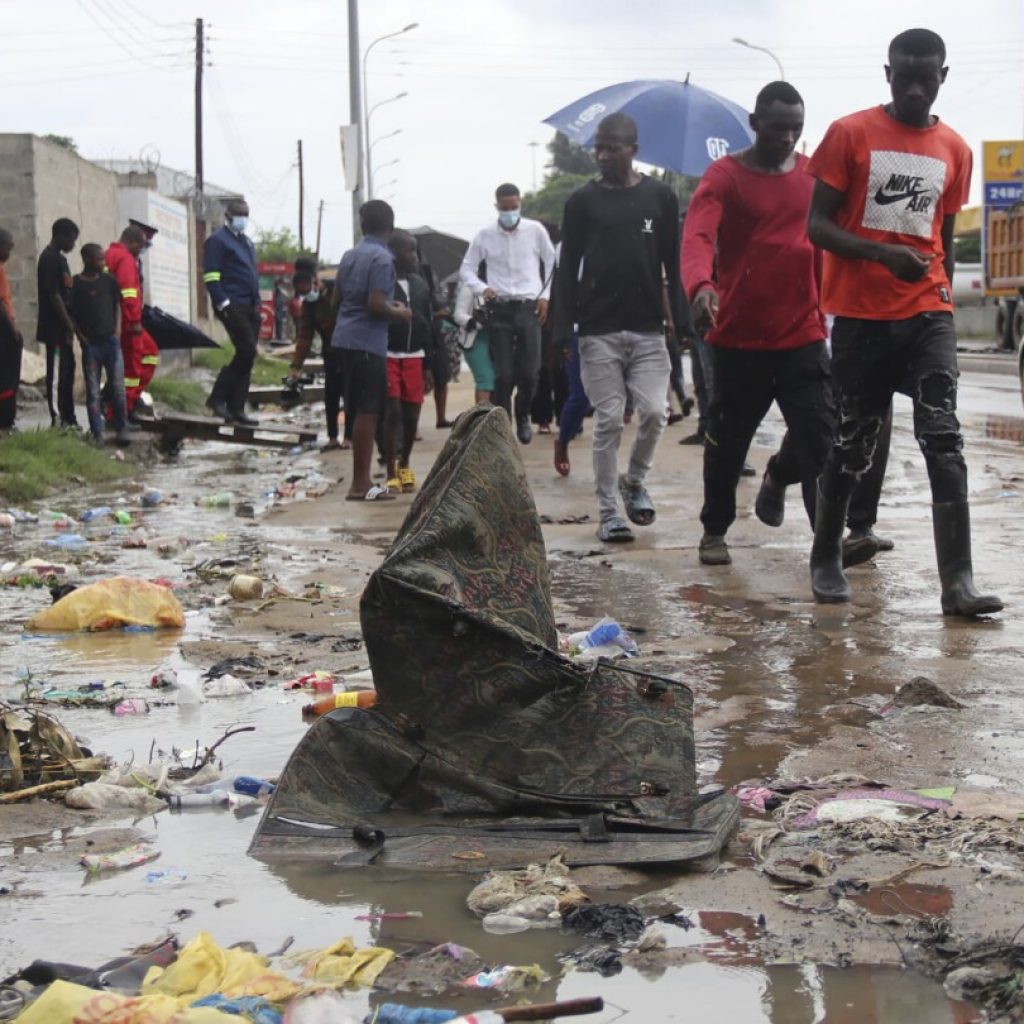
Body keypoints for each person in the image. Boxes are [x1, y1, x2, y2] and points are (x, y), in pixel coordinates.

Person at [806, 28, 1001, 617]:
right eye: (905, 74)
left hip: (927, 311)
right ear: (886, 72)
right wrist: (880, 253)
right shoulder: (850, 133)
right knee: (854, 443)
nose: (916, 86)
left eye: (928, 75)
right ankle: (825, 556)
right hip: (862, 317)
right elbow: (817, 226)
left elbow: (939, 235)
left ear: (944, 75)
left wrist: (934, 284)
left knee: (944, 438)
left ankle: (958, 583)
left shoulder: (955, 149)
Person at [682, 81, 834, 566]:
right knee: (726, 442)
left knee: (820, 438)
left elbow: (824, 244)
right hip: (739, 338)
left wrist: (825, 309)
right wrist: (701, 286)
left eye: (797, 129)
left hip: (801, 336)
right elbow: (698, 236)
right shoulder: (725, 176)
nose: (788, 138)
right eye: (777, 128)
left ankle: (824, 541)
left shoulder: (814, 177)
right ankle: (714, 530)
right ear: (754, 124)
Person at [555, 112, 684, 542]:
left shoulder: (661, 198)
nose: (603, 155)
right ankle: (609, 512)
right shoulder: (581, 202)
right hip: (598, 329)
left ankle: (634, 481)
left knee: (654, 412)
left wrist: (681, 324)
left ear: (634, 151)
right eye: (599, 147)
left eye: (612, 147)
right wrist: (563, 331)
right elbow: (567, 267)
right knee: (609, 419)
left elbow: (673, 265)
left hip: (648, 328)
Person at [460, 183, 556, 443]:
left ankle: (523, 413)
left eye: (514, 208)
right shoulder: (484, 235)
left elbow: (550, 261)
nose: (510, 213)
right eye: (505, 208)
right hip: (499, 309)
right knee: (503, 373)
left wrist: (545, 297)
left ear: (520, 203)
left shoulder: (535, 231)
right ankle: (505, 424)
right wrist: (482, 288)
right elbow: (467, 268)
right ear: (497, 207)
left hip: (529, 307)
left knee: (530, 371)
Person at [331, 200, 411, 501]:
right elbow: (375, 304)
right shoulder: (382, 259)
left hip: (344, 339)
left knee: (357, 409)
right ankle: (360, 483)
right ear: (390, 226)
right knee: (368, 411)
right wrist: (400, 312)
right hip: (367, 342)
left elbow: (335, 300)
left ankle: (361, 479)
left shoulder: (350, 255)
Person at [383, 230, 434, 493]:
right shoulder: (384, 282)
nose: (413, 256)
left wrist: (429, 366)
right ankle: (390, 468)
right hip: (389, 354)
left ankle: (405, 462)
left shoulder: (420, 284)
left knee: (412, 414)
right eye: (408, 251)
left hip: (415, 356)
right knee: (392, 412)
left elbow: (428, 323)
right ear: (394, 253)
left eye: (415, 251)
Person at [202, 198, 260, 425]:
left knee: (247, 358)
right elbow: (211, 276)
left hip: (251, 306)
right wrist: (223, 303)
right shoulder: (217, 241)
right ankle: (217, 399)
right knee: (247, 351)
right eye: (239, 214)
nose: (243, 219)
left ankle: (237, 407)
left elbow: (251, 275)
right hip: (232, 304)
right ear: (228, 216)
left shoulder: (246, 242)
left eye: (246, 214)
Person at [69, 243, 130, 446]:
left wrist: (118, 329)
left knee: (118, 388)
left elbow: (117, 306)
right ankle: (97, 433)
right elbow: (71, 314)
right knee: (93, 391)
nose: (103, 263)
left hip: (111, 342)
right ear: (87, 260)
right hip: (91, 345)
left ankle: (122, 428)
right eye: (99, 259)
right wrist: (81, 336)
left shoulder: (109, 281)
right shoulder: (76, 284)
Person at [105, 225, 159, 420]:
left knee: (147, 354)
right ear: (133, 242)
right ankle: (122, 410)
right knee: (133, 367)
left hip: (113, 321)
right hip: (128, 324)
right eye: (141, 246)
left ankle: (125, 403)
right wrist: (134, 321)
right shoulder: (125, 259)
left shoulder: (109, 254)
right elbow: (128, 293)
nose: (141, 251)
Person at [288, 265, 343, 450]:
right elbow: (305, 336)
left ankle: (351, 437)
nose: (307, 294)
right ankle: (333, 437)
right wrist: (296, 366)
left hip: (351, 349)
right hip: (330, 351)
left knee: (352, 395)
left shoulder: (339, 290)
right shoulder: (309, 305)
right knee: (331, 394)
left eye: (308, 289)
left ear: (316, 282)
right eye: (302, 292)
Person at [36, 218, 80, 428]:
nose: (73, 244)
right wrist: (68, 324)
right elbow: (54, 295)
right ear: (61, 235)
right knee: (56, 377)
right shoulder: (49, 259)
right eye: (72, 239)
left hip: (64, 330)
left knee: (67, 373)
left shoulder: (60, 259)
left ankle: (69, 417)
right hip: (54, 329)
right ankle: (57, 420)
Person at [452, 282, 496, 405]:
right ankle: (482, 419)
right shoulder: (469, 288)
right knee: (485, 378)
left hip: (497, 340)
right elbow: (458, 315)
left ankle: (495, 418)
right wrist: (476, 322)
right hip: (475, 340)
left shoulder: (500, 284)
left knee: (500, 380)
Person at [0, 229, 22, 432]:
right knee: (7, 376)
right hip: (3, 329)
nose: (10, 252)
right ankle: (6, 419)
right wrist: (12, 328)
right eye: (8, 247)